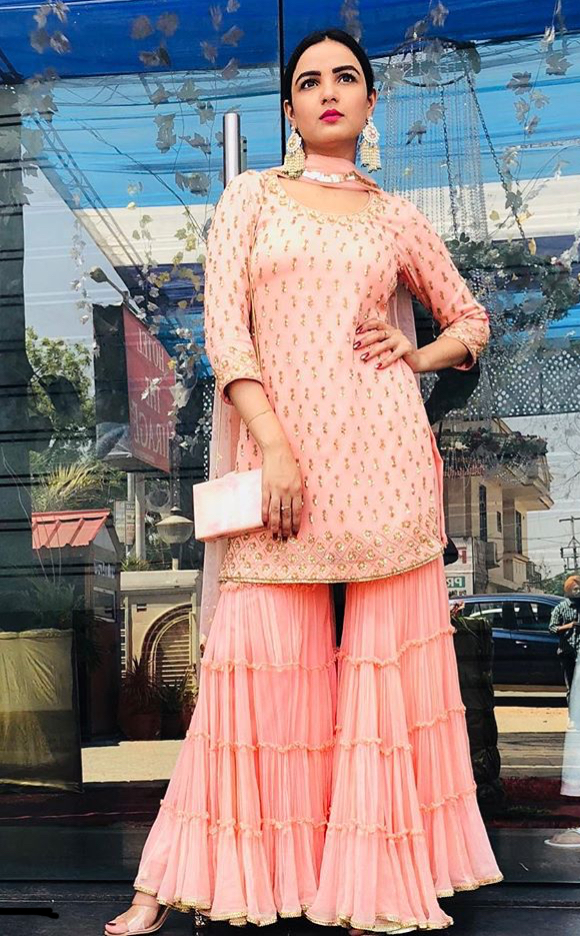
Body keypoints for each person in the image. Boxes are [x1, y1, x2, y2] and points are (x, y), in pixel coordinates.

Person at [105, 27, 502, 936]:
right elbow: (227, 335)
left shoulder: (395, 217)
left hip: (384, 465)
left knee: (383, 683)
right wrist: (274, 447)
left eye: (346, 78)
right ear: (289, 108)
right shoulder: (251, 198)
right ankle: (173, 879)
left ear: (369, 103)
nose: (328, 90)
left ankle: (377, 882)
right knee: (253, 670)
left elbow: (472, 319)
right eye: (310, 80)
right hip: (281, 466)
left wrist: (417, 354)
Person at [549, 575, 580, 713]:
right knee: (572, 687)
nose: (578, 592)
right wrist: (568, 626)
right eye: (575, 589)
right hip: (568, 652)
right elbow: (552, 628)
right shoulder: (560, 608)